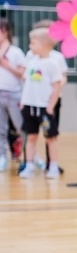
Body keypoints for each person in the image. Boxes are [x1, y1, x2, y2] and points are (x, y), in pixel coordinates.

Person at [18, 28, 62, 179]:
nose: (30, 46)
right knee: (30, 136)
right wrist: (24, 102)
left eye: (33, 43)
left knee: (50, 137)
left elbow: (57, 85)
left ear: (44, 44)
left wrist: (51, 105)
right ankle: (29, 164)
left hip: (44, 107)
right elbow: (27, 83)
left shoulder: (52, 64)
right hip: (29, 106)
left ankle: (53, 166)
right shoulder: (31, 61)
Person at [26, 19, 68, 173]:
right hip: (34, 101)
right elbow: (28, 75)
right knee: (31, 133)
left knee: (50, 133)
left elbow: (62, 77)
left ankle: (52, 164)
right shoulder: (31, 55)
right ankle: (29, 162)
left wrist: (54, 89)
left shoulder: (57, 58)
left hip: (51, 101)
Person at [0, 18, 24, 172]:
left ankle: (31, 157)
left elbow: (22, 73)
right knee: (1, 128)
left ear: (5, 32)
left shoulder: (15, 52)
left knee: (21, 127)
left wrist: (7, 66)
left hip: (13, 94)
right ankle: (2, 156)